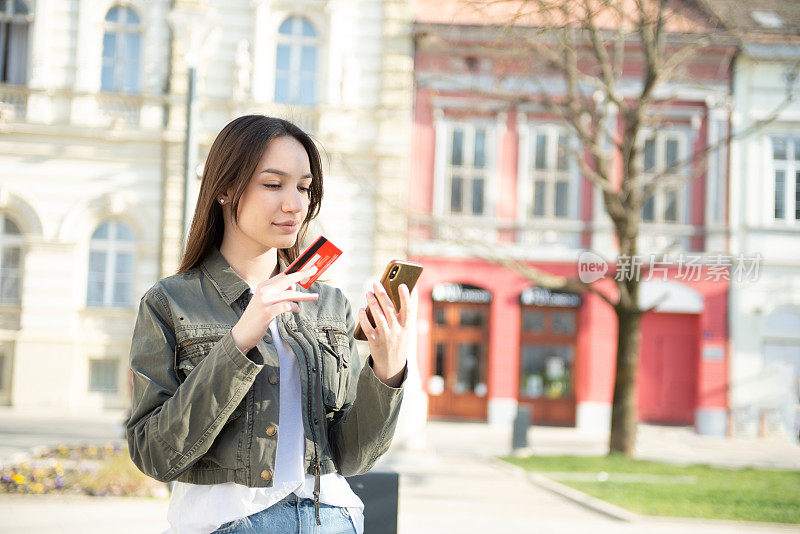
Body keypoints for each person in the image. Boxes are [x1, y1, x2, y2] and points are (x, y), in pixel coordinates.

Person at [125, 115, 411, 534]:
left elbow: (354, 458)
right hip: (229, 521)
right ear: (224, 189)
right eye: (273, 184)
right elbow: (155, 455)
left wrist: (387, 372)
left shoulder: (328, 304)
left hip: (332, 519)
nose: (294, 203)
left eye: (304, 187)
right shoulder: (170, 302)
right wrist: (242, 336)